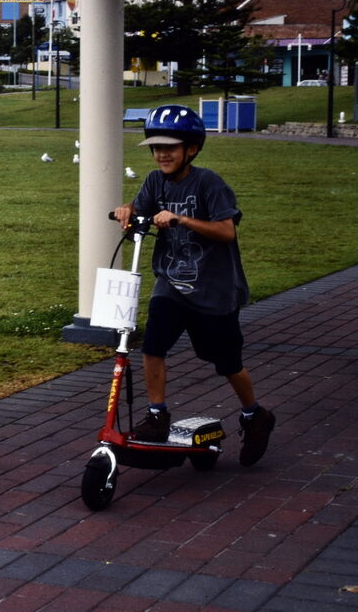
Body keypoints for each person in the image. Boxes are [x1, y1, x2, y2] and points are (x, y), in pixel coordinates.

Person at [112, 104, 275, 467]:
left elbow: (226, 231)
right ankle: (157, 415)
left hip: (214, 290)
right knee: (153, 346)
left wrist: (182, 219)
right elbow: (140, 208)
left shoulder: (209, 184)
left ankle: (255, 415)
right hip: (171, 284)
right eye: (156, 147)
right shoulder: (155, 181)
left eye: (170, 147)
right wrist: (127, 209)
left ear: (192, 149)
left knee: (227, 362)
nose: (162, 154)